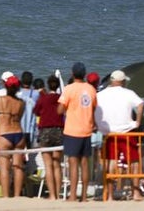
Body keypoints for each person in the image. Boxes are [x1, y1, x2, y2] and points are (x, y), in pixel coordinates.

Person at [96, 69, 144, 200]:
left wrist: (97, 124)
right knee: (134, 161)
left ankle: (110, 194)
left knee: (110, 161)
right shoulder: (128, 93)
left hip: (109, 132)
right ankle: (135, 192)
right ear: (122, 81)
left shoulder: (100, 94)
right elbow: (141, 105)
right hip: (126, 131)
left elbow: (93, 109)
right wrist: (137, 122)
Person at [59, 62, 98, 203]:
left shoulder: (69, 89)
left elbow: (60, 109)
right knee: (84, 163)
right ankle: (84, 197)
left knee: (73, 163)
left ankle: (73, 195)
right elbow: (93, 108)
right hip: (86, 129)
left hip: (72, 130)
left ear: (72, 74)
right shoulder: (91, 89)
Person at [0, 75, 26, 198]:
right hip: (18, 133)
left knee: (4, 168)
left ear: (5, 86)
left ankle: (6, 196)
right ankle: (16, 195)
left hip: (4, 133)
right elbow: (20, 117)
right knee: (18, 167)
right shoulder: (21, 103)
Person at [34, 74, 65, 200]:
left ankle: (52, 195)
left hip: (45, 130)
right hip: (58, 130)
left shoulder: (43, 98)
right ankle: (57, 193)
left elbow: (36, 111)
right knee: (57, 164)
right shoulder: (61, 98)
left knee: (48, 165)